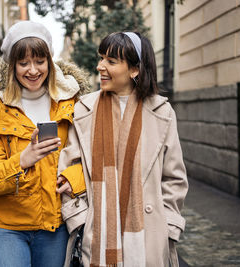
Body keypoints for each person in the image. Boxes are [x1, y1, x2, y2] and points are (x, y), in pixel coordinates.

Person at [57, 32, 188, 267]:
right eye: (101, 59)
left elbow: (174, 178)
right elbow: (69, 166)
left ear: (134, 70)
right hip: (96, 237)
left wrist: (166, 227)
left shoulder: (162, 112)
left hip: (147, 239)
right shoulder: (84, 109)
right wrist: (79, 220)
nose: (100, 67)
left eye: (111, 61)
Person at [0, 21, 89, 267]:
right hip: (4, 226)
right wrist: (22, 161)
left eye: (39, 61)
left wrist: (73, 179)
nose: (33, 70)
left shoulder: (72, 104)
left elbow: (90, 158)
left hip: (54, 224)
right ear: (12, 66)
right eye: (23, 63)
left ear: (49, 61)